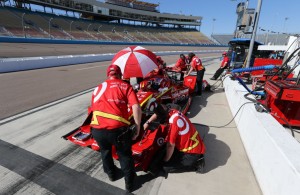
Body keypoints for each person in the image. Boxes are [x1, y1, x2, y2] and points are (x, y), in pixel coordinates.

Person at [90, 64, 142, 193]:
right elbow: (136, 107)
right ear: (120, 75)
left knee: (105, 152)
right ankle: (130, 184)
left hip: (97, 129)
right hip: (118, 130)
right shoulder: (126, 86)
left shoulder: (98, 88)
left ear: (108, 74)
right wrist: (138, 126)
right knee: (125, 156)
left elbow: (93, 108)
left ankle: (111, 175)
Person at [143, 104, 206, 174]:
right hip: (193, 143)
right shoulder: (174, 112)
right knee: (166, 151)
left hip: (192, 153)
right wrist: (147, 122)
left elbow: (170, 145)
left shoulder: (174, 123)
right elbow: (158, 112)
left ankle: (197, 164)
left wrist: (165, 161)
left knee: (165, 168)